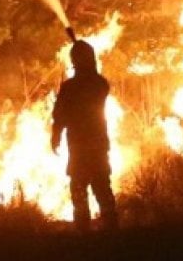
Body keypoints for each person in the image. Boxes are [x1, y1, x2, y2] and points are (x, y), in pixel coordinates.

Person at [50, 40, 117, 232]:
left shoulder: (71, 87)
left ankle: (83, 231)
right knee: (102, 187)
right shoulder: (100, 83)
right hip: (97, 144)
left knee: (79, 189)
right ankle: (111, 230)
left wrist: (56, 135)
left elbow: (60, 114)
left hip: (80, 145)